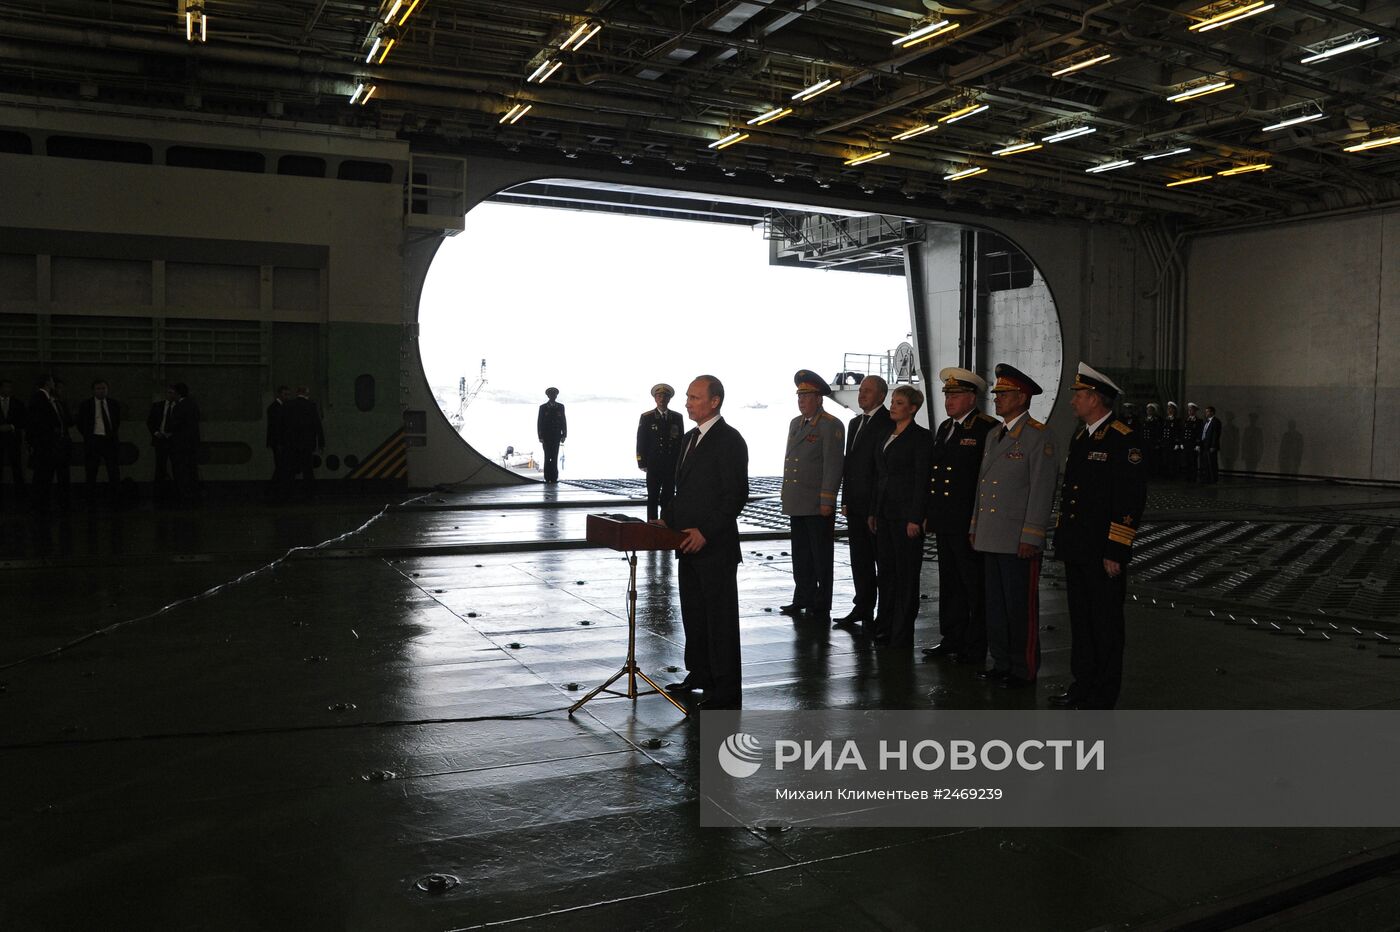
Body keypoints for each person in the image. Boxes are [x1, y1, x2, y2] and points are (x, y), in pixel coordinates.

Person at [1051, 363, 1147, 710]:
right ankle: (1082, 685)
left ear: (1094, 398)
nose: (1072, 402)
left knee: (1105, 626)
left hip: (1102, 551)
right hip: (1078, 546)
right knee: (1081, 622)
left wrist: (1115, 550)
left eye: (1078, 395)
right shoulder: (1082, 435)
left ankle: (1103, 694)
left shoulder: (1123, 439)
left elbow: (1129, 501)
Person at [661, 375, 749, 710]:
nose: (687, 403)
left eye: (695, 398)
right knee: (695, 616)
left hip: (715, 548)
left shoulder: (730, 440)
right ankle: (700, 675)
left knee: (720, 622)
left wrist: (706, 532)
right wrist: (667, 521)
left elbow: (735, 495)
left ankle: (725, 691)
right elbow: (684, 493)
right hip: (686, 545)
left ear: (715, 402)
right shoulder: (688, 439)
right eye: (688, 397)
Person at [970, 364, 1057, 688]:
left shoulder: (1037, 436)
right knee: (996, 607)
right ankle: (1002, 662)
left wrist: (1032, 535)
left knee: (1020, 609)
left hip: (1016, 536)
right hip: (991, 535)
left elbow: (1041, 489)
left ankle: (1023, 669)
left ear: (1022, 397)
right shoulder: (995, 434)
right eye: (996, 394)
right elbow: (983, 486)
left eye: (1003, 394)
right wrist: (975, 525)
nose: (997, 399)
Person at [922, 367, 999, 664]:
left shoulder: (986, 428)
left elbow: (985, 480)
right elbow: (936, 474)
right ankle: (951, 637)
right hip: (945, 520)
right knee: (950, 582)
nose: (949, 401)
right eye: (947, 395)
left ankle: (975, 645)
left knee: (973, 586)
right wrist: (930, 512)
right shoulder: (945, 428)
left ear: (971, 397)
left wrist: (977, 521)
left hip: (968, 521)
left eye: (955, 395)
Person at [779, 369, 845, 624]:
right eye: (799, 396)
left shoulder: (830, 425)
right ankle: (802, 596)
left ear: (819, 398)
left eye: (806, 396)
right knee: (801, 554)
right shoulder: (796, 423)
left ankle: (822, 602)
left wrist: (828, 499)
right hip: (797, 500)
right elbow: (790, 462)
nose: (801, 401)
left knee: (820, 556)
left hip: (817, 503)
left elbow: (833, 465)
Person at [869, 384, 932, 648]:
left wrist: (915, 518)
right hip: (884, 513)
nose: (893, 406)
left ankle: (902, 631)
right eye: (893, 401)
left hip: (905, 515)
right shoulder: (887, 434)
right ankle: (884, 625)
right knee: (886, 573)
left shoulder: (921, 437)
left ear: (913, 408)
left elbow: (922, 480)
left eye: (899, 403)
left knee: (906, 575)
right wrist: (874, 510)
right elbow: (880, 476)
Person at [834, 375, 892, 629]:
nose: (862, 395)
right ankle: (863, 606)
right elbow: (850, 465)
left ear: (881, 395)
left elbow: (882, 470)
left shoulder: (888, 422)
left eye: (868, 391)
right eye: (861, 390)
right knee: (860, 559)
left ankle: (884, 613)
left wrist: (874, 508)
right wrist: (845, 498)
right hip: (855, 504)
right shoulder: (855, 422)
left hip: (874, 506)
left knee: (881, 559)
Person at [635, 383, 684, 521]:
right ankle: (652, 524)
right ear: (655, 399)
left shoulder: (677, 417)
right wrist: (641, 462)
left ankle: (666, 524)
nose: (662, 399)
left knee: (668, 496)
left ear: (669, 399)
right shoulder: (647, 417)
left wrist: (680, 463)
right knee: (652, 496)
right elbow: (641, 441)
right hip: (653, 463)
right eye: (659, 396)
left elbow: (681, 441)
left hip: (671, 464)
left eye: (665, 396)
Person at [76, 378, 122, 503]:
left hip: (109, 439)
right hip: (94, 440)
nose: (101, 391)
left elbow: (116, 421)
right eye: (98, 389)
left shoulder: (113, 404)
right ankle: (90, 496)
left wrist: (111, 434)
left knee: (113, 470)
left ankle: (115, 496)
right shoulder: (86, 405)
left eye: (103, 388)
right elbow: (80, 423)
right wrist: (89, 436)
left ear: (107, 390)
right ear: (93, 391)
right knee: (91, 470)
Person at [26, 373, 65, 514]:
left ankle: (40, 503)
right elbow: (39, 422)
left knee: (42, 474)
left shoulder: (39, 398)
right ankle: (40, 503)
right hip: (45, 443)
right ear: (48, 383)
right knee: (43, 475)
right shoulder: (41, 398)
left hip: (43, 443)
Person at [286, 386, 325, 498]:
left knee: (292, 468)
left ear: (297, 393)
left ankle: (291, 492)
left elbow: (285, 425)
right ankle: (309, 491)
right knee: (308, 469)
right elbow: (317, 425)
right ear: (306, 393)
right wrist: (321, 441)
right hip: (307, 442)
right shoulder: (311, 405)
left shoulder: (289, 405)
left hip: (292, 442)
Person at [167, 382, 201, 502]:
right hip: (192, 443)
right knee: (192, 470)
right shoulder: (193, 405)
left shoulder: (178, 407)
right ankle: (193, 494)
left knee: (181, 471)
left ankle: (183, 495)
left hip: (180, 444)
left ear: (178, 393)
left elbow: (174, 425)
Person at [147, 386, 177, 503]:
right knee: (160, 465)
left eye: (173, 393)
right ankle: (160, 491)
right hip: (161, 439)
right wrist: (156, 433)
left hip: (173, 439)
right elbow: (150, 421)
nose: (170, 395)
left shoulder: (178, 407)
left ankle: (174, 490)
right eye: (169, 393)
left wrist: (173, 433)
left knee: (176, 465)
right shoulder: (158, 406)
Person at [0, 379, 25, 509]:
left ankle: (20, 493)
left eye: (10, 387)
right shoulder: (16, 403)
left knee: (16, 465)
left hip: (12, 438)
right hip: (10, 437)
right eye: (6, 387)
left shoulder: (17, 403)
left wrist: (11, 426)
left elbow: (23, 420)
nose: (8, 390)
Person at [266, 385, 292, 500]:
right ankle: (276, 491)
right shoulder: (276, 408)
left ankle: (276, 491)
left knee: (280, 466)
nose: (287, 397)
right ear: (279, 394)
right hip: (280, 443)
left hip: (278, 443)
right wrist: (280, 443)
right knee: (281, 467)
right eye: (285, 394)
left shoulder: (274, 407)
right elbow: (277, 428)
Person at [537, 387, 566, 483]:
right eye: (551, 395)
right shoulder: (543, 407)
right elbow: (539, 422)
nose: (553, 396)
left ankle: (554, 477)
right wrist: (540, 436)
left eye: (554, 394)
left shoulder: (560, 407)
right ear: (548, 396)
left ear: (556, 395)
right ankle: (547, 477)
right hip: (546, 437)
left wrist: (564, 434)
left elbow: (563, 421)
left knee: (554, 456)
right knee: (547, 455)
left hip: (556, 436)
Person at [1199, 405, 1221, 483]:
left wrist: (1213, 446)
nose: (1206, 413)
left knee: (1212, 463)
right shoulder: (1206, 421)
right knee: (1205, 463)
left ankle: (1213, 479)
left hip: (1211, 446)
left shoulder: (1216, 421)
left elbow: (1215, 435)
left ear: (1212, 412)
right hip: (1204, 444)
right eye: (1206, 412)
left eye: (1208, 412)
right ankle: (1206, 477)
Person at [1181, 402, 1203, 481]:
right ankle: (1187, 476)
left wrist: (1198, 444)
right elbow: (1183, 432)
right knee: (1186, 461)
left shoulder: (1199, 421)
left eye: (1191, 410)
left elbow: (1199, 433)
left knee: (1193, 461)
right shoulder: (1186, 420)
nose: (1190, 411)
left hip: (1193, 444)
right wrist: (1182, 443)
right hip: (1186, 443)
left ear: (1195, 411)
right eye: (1189, 410)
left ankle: (1193, 477)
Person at [1141, 403, 1163, 479]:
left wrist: (1157, 442)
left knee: (1153, 459)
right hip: (1145, 442)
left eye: (1151, 410)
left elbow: (1158, 432)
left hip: (1152, 442)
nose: (1149, 411)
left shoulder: (1156, 420)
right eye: (1148, 410)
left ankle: (1153, 474)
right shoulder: (1144, 419)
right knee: (1145, 458)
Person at [1163, 401, 1181, 480]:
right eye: (1168, 408)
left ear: (1174, 410)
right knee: (1166, 459)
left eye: (1171, 408)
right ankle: (1166, 474)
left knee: (1172, 460)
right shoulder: (1166, 419)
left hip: (1172, 442)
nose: (1169, 410)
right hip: (1166, 442)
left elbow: (1178, 432)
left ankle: (1173, 475)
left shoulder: (1177, 420)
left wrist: (1177, 443)